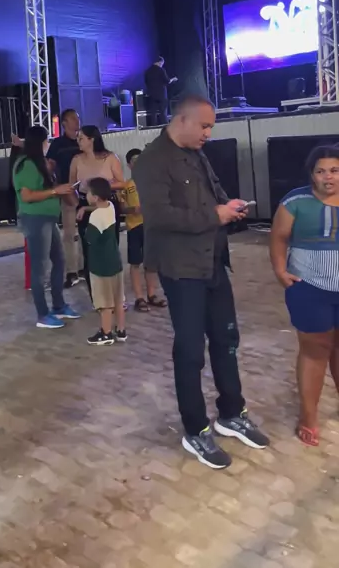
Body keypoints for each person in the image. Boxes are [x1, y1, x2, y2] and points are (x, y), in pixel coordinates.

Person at [133, 95, 269, 469]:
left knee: (226, 339)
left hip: (212, 261)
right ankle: (195, 429)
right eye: (204, 126)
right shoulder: (151, 161)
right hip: (181, 268)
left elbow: (212, 194)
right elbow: (160, 217)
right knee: (191, 350)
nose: (209, 133)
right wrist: (215, 215)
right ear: (182, 120)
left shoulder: (196, 154)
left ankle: (231, 413)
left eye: (211, 127)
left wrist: (230, 207)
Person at [270, 145, 339, 446]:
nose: (328, 177)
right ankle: (308, 416)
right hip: (309, 287)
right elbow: (278, 237)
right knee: (315, 349)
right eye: (321, 171)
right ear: (311, 174)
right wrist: (280, 271)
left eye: (334, 170)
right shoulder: (294, 201)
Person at [13, 125, 81, 329]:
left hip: (48, 219)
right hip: (35, 219)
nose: (48, 144)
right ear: (40, 142)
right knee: (40, 267)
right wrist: (54, 191)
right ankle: (42, 314)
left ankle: (59, 305)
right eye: (46, 140)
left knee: (59, 260)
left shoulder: (40, 163)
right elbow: (27, 196)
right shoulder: (26, 164)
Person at [70, 126, 126, 296]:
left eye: (81, 138)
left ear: (91, 139)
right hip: (85, 206)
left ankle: (115, 295)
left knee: (109, 249)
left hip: (107, 204)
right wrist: (77, 203)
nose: (78, 141)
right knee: (89, 251)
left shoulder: (110, 158)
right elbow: (71, 187)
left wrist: (101, 185)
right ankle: (96, 296)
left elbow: (122, 183)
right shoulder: (76, 160)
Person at [121, 149, 167, 312]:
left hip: (150, 226)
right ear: (129, 165)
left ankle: (151, 294)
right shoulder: (126, 185)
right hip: (134, 227)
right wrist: (132, 210)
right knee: (135, 263)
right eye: (134, 160)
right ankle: (139, 297)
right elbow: (121, 208)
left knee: (151, 262)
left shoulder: (153, 183)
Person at [85, 178, 126, 346]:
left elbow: (90, 238)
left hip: (101, 266)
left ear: (95, 197)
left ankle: (106, 332)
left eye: (88, 192)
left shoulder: (95, 216)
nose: (86, 195)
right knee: (118, 299)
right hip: (115, 262)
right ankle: (121, 330)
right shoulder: (111, 206)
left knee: (104, 302)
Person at [47, 109, 84, 287]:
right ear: (64, 123)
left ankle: (85, 267)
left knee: (86, 231)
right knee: (69, 233)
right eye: (73, 119)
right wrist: (56, 187)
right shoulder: (58, 144)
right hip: (67, 192)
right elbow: (50, 166)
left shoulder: (83, 141)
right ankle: (72, 271)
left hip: (85, 192)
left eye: (78, 118)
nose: (77, 121)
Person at [144, 57, 177, 126]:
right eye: (162, 63)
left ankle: (153, 126)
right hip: (161, 94)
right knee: (163, 111)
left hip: (151, 94)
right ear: (159, 62)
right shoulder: (161, 70)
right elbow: (167, 81)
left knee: (153, 112)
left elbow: (146, 82)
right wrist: (173, 79)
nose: (162, 65)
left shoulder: (147, 71)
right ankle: (164, 125)